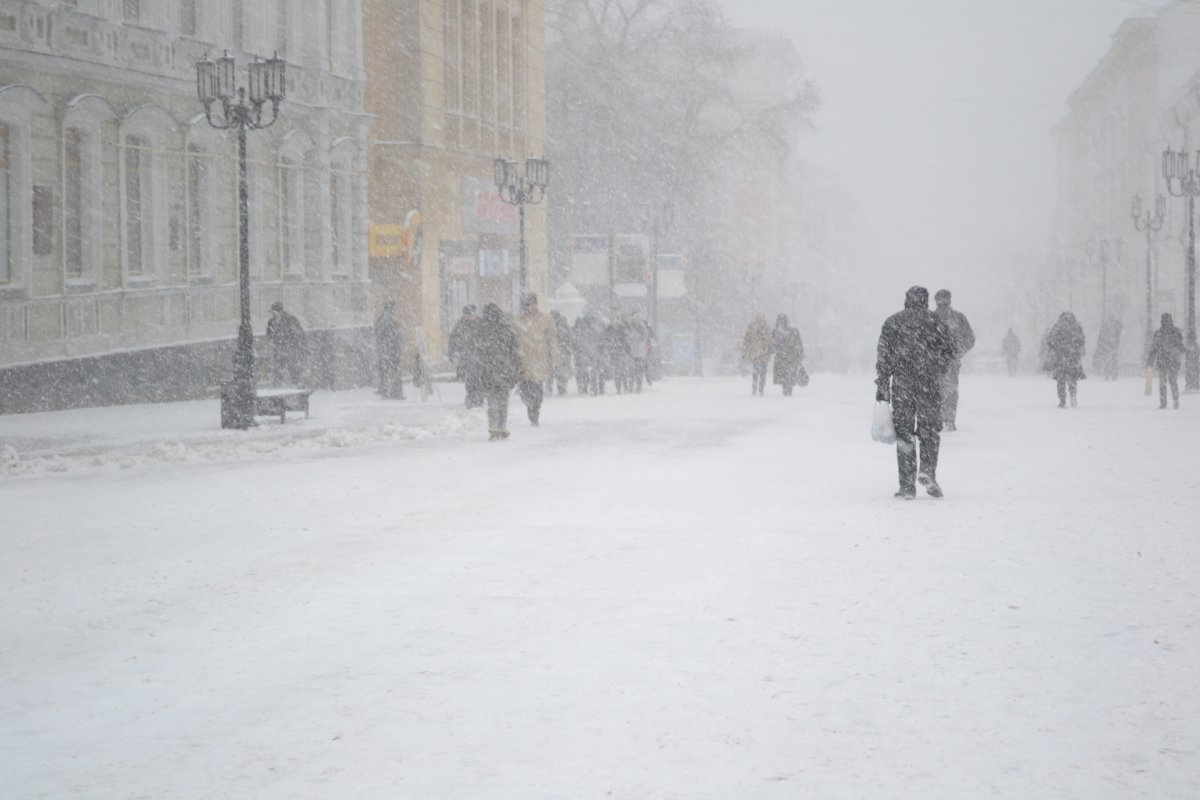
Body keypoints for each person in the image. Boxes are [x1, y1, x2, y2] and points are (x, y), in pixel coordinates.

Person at [876, 286, 956, 499]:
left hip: (902, 385)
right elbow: (950, 351)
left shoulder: (893, 322)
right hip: (928, 385)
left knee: (904, 434)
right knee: (929, 430)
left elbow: (883, 356)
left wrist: (883, 383)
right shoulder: (936, 322)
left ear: (907, 300)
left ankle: (907, 485)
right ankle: (927, 471)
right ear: (926, 300)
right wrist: (936, 367)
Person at [513, 293, 559, 426]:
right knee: (525, 390)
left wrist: (554, 358)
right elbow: (512, 340)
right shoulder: (517, 321)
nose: (527, 309)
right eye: (525, 306)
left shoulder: (546, 320)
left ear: (535, 305)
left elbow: (552, 340)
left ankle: (535, 413)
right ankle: (529, 406)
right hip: (523, 362)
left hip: (540, 361)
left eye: (530, 305)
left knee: (537, 390)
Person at [475, 303, 519, 440]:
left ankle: (493, 426)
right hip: (504, 370)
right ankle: (502, 426)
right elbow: (515, 350)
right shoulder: (507, 330)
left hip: (488, 370)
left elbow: (477, 351)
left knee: (492, 400)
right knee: (503, 400)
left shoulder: (482, 331)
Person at [933, 289, 975, 431]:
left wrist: (958, 352)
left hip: (946, 361)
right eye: (941, 300)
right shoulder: (932, 318)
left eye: (944, 300)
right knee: (943, 390)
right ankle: (944, 419)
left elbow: (970, 338)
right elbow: (970, 339)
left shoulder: (956, 318)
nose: (942, 303)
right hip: (939, 361)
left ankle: (945, 419)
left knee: (944, 389)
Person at [1044, 311, 1086, 408]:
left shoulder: (1058, 326)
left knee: (1061, 379)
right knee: (1072, 377)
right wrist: (1074, 346)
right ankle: (1073, 395)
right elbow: (1082, 340)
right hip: (1073, 357)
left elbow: (1050, 340)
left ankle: (1062, 399)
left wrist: (1058, 346)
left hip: (1060, 357)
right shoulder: (1076, 325)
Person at [1147, 312, 1185, 409]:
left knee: (1164, 383)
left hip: (1165, 361)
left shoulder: (1159, 333)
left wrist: (1150, 361)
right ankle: (1174, 401)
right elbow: (1181, 347)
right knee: (1171, 382)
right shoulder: (1175, 332)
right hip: (1171, 361)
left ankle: (1165, 402)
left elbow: (1153, 349)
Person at [448, 305, 483, 408]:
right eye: (469, 314)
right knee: (470, 378)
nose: (471, 316)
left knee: (479, 377)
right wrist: (451, 352)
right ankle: (471, 396)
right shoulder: (460, 325)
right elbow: (453, 339)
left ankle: (478, 396)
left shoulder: (481, 323)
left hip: (479, 355)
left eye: (473, 314)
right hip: (466, 355)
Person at [266, 301, 307, 386]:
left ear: (279, 312)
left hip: (290, 349)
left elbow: (299, 333)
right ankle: (278, 389)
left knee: (293, 369)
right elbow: (269, 335)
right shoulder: (271, 322)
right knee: (278, 371)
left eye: (273, 312)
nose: (272, 314)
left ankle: (298, 387)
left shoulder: (290, 319)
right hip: (278, 350)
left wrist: (294, 345)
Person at [373, 300, 405, 399]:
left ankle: (388, 391)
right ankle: (393, 392)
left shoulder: (383, 320)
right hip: (390, 352)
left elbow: (379, 335)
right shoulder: (388, 321)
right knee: (391, 372)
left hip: (387, 352)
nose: (393, 311)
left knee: (387, 372)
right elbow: (393, 336)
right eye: (392, 309)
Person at [770, 314, 804, 396]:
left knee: (785, 376)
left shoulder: (776, 331)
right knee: (788, 376)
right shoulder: (793, 330)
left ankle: (786, 391)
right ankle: (787, 391)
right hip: (790, 357)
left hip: (783, 358)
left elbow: (772, 344)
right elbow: (799, 343)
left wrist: (775, 348)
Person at [572, 311, 603, 395]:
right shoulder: (595, 329)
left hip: (586, 353)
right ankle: (592, 388)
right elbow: (600, 340)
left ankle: (588, 387)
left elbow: (577, 341)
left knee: (587, 372)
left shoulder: (582, 330)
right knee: (592, 372)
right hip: (591, 353)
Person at [742, 314, 772, 396]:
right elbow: (770, 340)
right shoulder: (766, 327)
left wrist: (745, 351)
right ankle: (761, 390)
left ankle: (754, 388)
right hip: (764, 353)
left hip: (755, 353)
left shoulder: (751, 327)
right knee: (763, 373)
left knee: (755, 372)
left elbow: (746, 340)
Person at [548, 310, 574, 397]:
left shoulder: (559, 326)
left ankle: (554, 389)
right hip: (558, 352)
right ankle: (560, 389)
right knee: (556, 372)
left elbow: (569, 339)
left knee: (554, 372)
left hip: (559, 352)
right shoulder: (563, 325)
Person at [1093, 316, 1123, 381]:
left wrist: (1099, 344)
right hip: (1113, 345)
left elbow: (1101, 335)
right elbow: (1118, 335)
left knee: (1107, 360)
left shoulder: (1105, 325)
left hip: (1106, 345)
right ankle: (1113, 375)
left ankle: (1107, 374)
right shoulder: (1116, 325)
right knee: (1113, 360)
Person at [626, 317, 652, 393]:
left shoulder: (641, 330)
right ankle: (635, 386)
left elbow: (644, 340)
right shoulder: (638, 330)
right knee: (636, 371)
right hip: (637, 353)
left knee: (636, 371)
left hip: (638, 353)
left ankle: (635, 387)